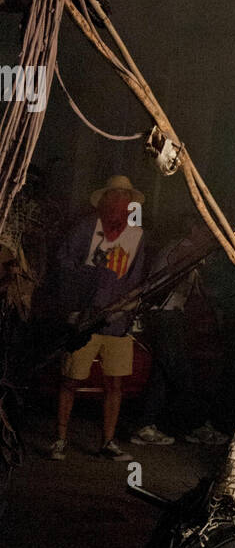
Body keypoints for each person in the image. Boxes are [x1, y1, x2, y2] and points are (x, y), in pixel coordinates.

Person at [50, 175, 147, 460]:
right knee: (71, 379)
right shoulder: (86, 228)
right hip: (84, 317)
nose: (120, 201)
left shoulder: (137, 235)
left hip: (117, 321)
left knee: (114, 382)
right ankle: (60, 439)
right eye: (115, 195)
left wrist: (126, 307)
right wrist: (86, 276)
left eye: (125, 196)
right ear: (106, 199)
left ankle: (108, 442)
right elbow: (63, 261)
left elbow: (136, 277)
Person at [130, 218, 226, 447]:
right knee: (180, 374)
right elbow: (178, 267)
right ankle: (195, 425)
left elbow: (201, 289)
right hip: (164, 315)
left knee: (162, 374)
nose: (208, 236)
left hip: (170, 315)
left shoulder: (190, 250)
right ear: (193, 228)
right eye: (206, 231)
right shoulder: (183, 247)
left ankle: (146, 425)